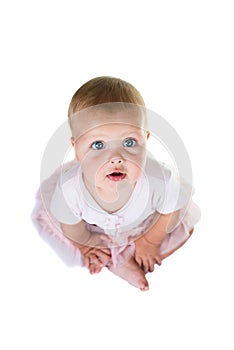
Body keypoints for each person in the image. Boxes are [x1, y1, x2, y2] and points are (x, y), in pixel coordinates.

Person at [32, 76, 200, 291]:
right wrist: (85, 243)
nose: (116, 157)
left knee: (180, 230)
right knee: (63, 232)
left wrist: (149, 241)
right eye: (98, 144)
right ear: (77, 149)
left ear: (145, 139)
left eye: (129, 142)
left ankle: (129, 258)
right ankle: (115, 260)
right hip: (96, 228)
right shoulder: (70, 189)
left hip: (145, 224)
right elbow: (69, 223)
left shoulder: (159, 180)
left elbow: (171, 210)